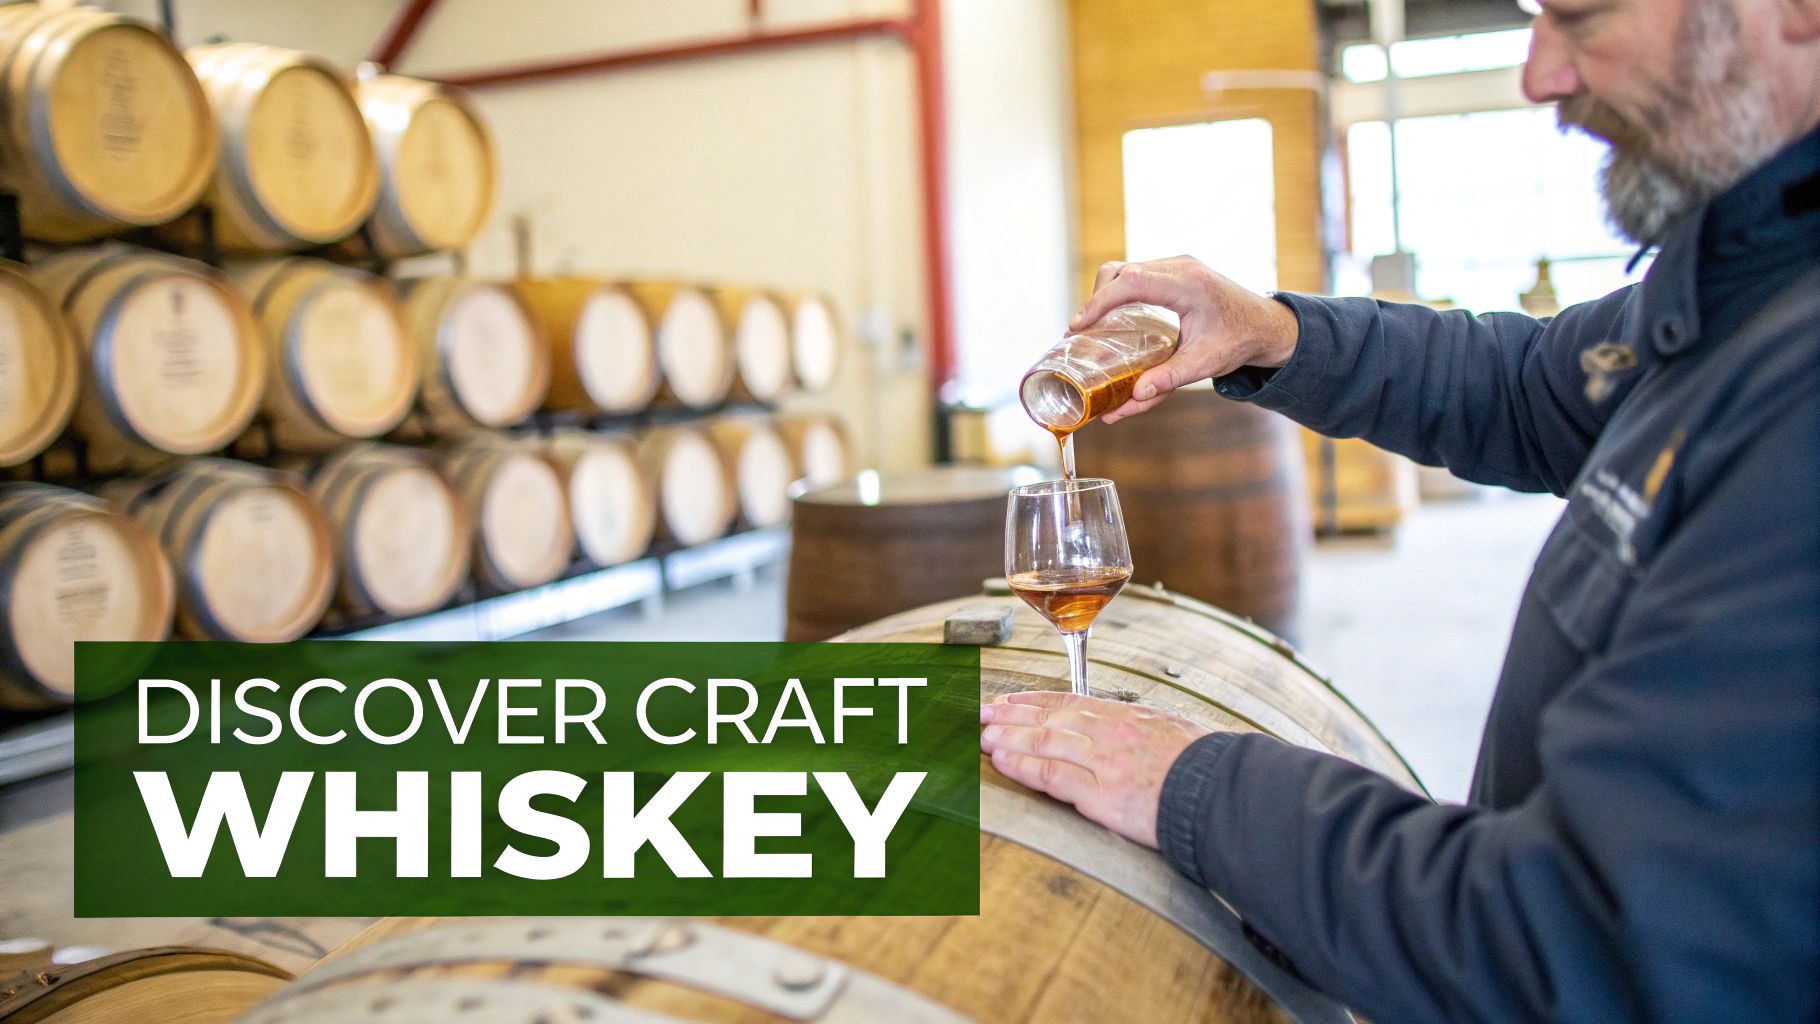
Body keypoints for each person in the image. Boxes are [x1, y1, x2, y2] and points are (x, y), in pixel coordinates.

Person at [978, 0, 1820, 1019]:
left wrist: (1192, 783)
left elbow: (1583, 941)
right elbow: (1528, 387)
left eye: (1581, 16)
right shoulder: (1750, 274)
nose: (1539, 76)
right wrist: (1269, 330)